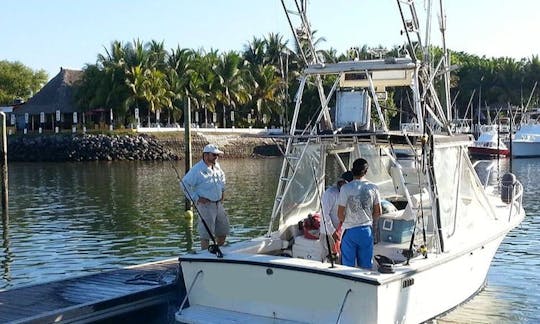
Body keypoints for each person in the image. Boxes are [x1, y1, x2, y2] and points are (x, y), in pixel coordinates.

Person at [182, 144, 229, 250]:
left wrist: (222, 191)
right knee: (206, 234)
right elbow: (184, 184)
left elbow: (222, 177)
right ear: (206, 155)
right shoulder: (197, 170)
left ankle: (219, 250)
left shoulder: (217, 166)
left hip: (218, 203)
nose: (216, 157)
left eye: (217, 155)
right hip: (206, 205)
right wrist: (196, 198)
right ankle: (205, 255)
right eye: (214, 155)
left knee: (223, 230)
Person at [337, 158, 381, 269]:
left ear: (352, 170)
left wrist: (349, 219)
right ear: (366, 172)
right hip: (366, 231)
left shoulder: (345, 188)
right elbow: (378, 212)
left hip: (350, 230)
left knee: (347, 267)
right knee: (366, 267)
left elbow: (340, 214)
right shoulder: (373, 188)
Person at [320, 171, 353, 262]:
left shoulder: (346, 194)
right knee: (328, 260)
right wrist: (333, 232)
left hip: (340, 233)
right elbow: (324, 214)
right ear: (341, 182)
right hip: (328, 233)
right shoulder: (330, 193)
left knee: (339, 260)